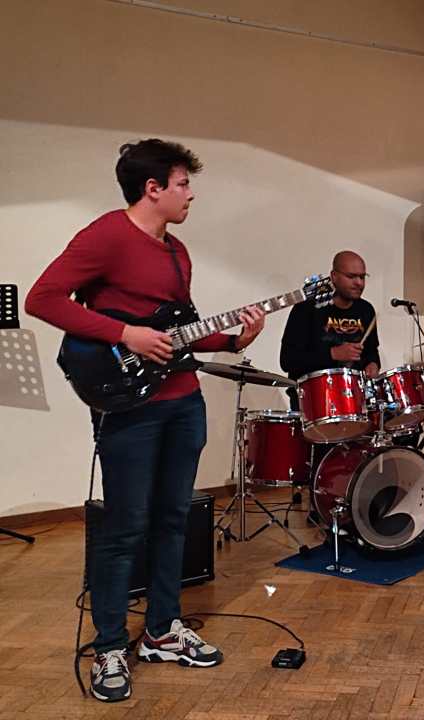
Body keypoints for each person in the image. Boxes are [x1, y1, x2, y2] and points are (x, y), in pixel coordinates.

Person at [26, 139, 265, 703]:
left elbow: (177, 329)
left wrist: (233, 340)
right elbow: (43, 298)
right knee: (124, 525)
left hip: (183, 400)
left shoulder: (178, 252)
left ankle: (162, 629)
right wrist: (124, 334)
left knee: (173, 519)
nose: (191, 194)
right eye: (183, 184)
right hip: (129, 408)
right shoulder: (106, 235)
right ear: (152, 189)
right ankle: (110, 645)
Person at [279, 250, 380, 402]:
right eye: (351, 276)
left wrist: (373, 364)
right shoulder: (307, 308)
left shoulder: (366, 310)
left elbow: (371, 351)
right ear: (334, 276)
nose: (359, 283)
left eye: (362, 277)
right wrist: (332, 354)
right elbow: (288, 360)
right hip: (312, 400)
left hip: (354, 399)